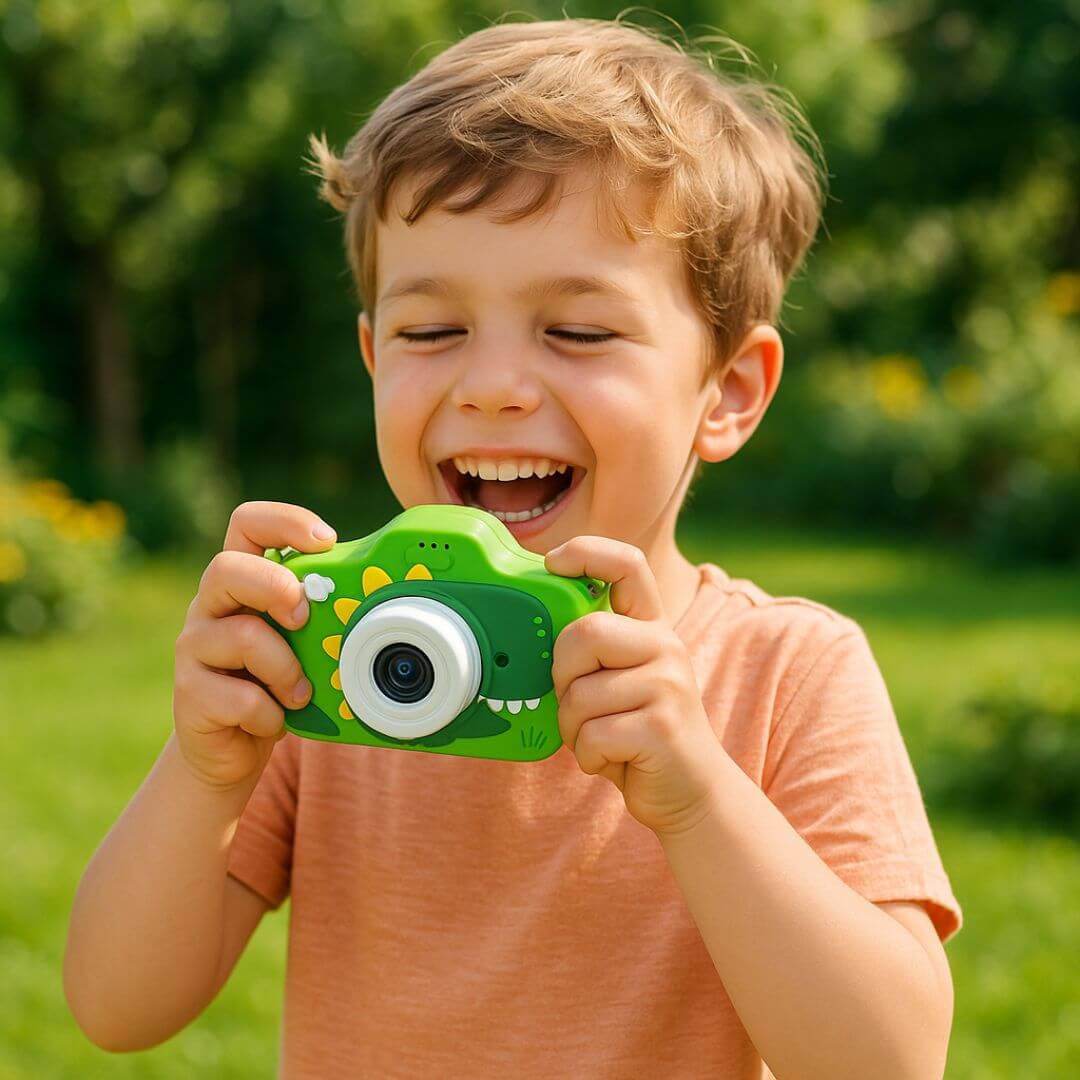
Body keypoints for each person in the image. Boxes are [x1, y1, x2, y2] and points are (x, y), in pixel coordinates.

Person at [63, 15, 961, 1078]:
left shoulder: (782, 674)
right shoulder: (334, 659)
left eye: (578, 332)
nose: (490, 384)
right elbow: (117, 1006)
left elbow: (888, 1062)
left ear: (727, 393)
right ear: (371, 356)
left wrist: (700, 797)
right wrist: (206, 770)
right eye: (431, 331)